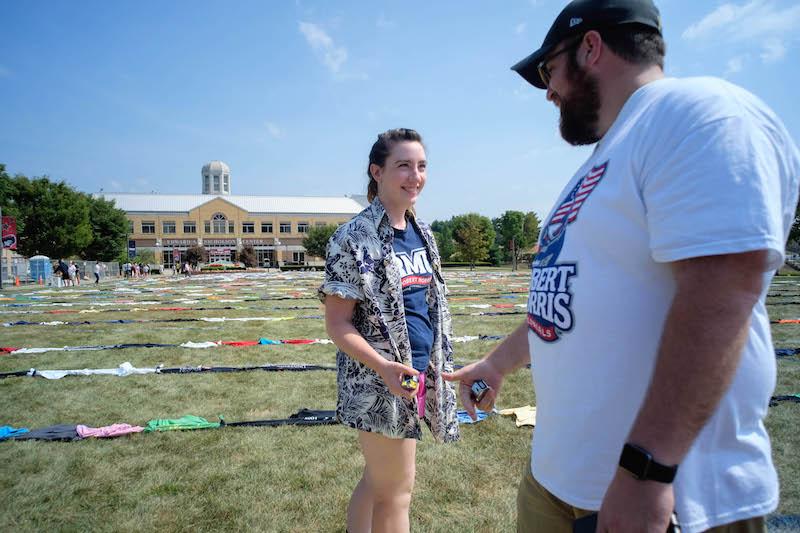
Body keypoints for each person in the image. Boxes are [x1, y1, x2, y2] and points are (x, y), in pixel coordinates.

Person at [444, 1, 800, 532]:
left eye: (548, 70)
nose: (548, 91)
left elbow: (722, 295)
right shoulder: (609, 155)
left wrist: (647, 470)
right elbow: (572, 300)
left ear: (590, 47)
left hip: (662, 497)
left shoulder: (699, 113)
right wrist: (497, 364)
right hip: (560, 484)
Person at [319, 128, 459, 533]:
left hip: (414, 376)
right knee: (397, 493)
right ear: (376, 171)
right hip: (378, 383)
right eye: (403, 166)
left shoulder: (422, 231)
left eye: (421, 166)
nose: (414, 176)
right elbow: (338, 324)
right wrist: (383, 365)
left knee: (377, 481)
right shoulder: (353, 238)